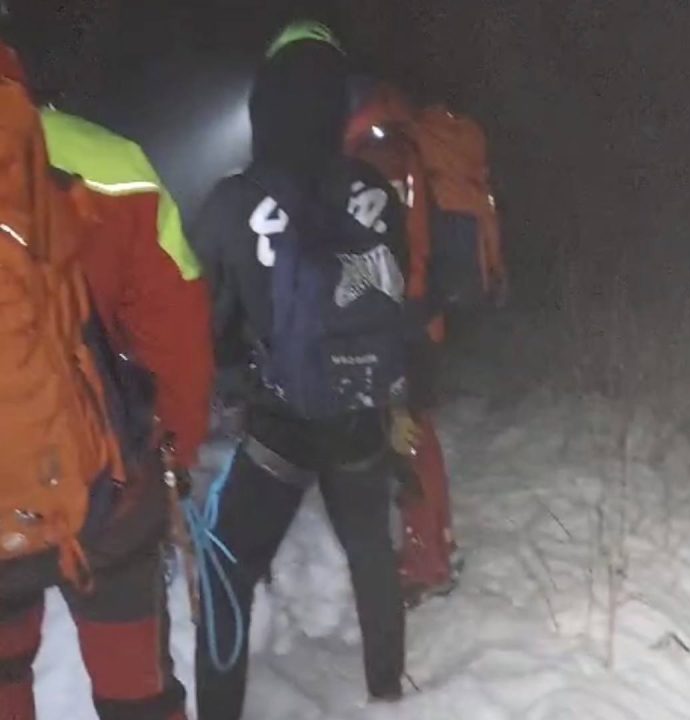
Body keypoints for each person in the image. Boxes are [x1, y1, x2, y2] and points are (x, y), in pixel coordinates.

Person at [192, 21, 408, 719]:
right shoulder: (376, 191)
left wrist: (231, 379)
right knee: (371, 554)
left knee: (225, 567)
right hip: (360, 411)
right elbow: (399, 294)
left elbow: (206, 319)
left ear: (265, 103)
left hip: (278, 421)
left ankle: (218, 710)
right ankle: (387, 691)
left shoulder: (234, 199)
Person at [0, 39, 213, 720]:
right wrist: (174, 451)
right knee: (137, 691)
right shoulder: (110, 162)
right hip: (108, 494)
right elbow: (177, 332)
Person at [345, 81, 462, 605]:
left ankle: (425, 564)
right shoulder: (400, 144)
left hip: (401, 320)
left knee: (407, 436)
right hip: (419, 316)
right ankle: (438, 542)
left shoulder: (379, 154)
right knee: (417, 432)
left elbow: (383, 248)